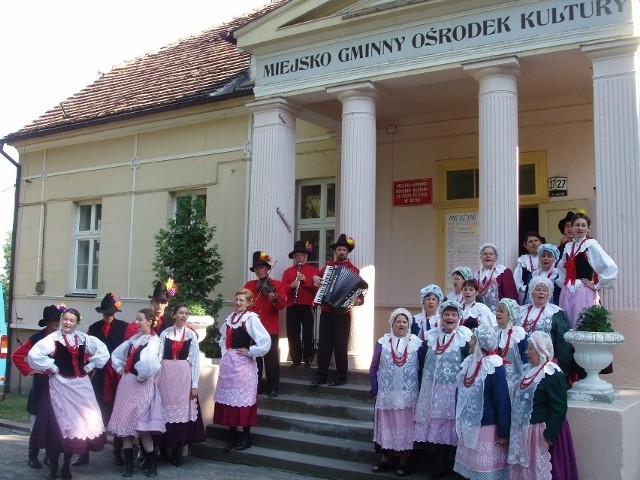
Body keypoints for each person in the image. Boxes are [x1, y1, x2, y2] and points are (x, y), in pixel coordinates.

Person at [27, 307, 109, 480]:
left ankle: (65, 467)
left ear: (77, 323)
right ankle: (54, 467)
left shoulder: (83, 338)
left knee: (77, 428)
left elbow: (103, 352)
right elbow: (34, 354)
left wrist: (90, 366)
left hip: (80, 387)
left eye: (72, 320)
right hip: (60, 386)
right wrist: (53, 367)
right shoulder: (53, 339)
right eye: (65, 319)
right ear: (61, 319)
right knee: (58, 429)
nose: (67, 323)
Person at [508, 331, 580, 480]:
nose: (526, 352)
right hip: (526, 432)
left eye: (530, 348)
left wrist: (550, 435)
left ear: (541, 349)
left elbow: (559, 408)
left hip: (542, 432)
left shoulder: (551, 373)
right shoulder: (528, 370)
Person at [414, 300, 472, 479]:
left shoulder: (464, 338)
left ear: (459, 318)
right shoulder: (432, 336)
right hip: (432, 390)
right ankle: (437, 461)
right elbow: (422, 361)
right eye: (447, 314)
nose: (450, 317)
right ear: (441, 317)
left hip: (453, 391)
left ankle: (453, 462)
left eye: (454, 315)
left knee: (452, 426)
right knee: (436, 426)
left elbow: (469, 363)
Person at [108, 308, 164, 477]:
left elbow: (151, 363)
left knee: (142, 426)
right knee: (126, 426)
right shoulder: (134, 339)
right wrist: (121, 369)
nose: (136, 322)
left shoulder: (154, 341)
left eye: (140, 319)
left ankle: (152, 465)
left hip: (142, 385)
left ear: (149, 321)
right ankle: (129, 467)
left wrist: (141, 374)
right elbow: (117, 354)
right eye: (136, 319)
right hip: (127, 384)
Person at [214, 288, 271, 451]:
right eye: (236, 299)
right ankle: (232, 437)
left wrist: (251, 351)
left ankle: (246, 438)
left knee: (243, 402)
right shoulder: (230, 319)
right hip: (229, 366)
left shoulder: (250, 319)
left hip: (244, 366)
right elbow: (223, 339)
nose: (238, 303)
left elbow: (265, 341)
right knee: (231, 402)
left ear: (249, 303)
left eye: (241, 300)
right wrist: (226, 353)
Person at [76, 292, 128, 468]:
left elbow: (130, 348)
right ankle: (84, 453)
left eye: (111, 312)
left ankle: (117, 451)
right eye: (106, 312)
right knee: (90, 413)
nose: (108, 315)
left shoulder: (124, 327)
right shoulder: (94, 328)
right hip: (97, 375)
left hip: (117, 375)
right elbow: (84, 350)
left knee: (119, 412)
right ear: (102, 313)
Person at [369, 308, 423, 477]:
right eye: (398, 321)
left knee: (405, 427)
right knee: (388, 426)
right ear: (392, 323)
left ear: (409, 325)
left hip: (409, 396)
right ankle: (385, 458)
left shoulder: (417, 343)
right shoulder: (382, 342)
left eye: (405, 321)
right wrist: (375, 389)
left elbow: (422, 369)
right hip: (386, 395)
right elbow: (373, 367)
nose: (401, 324)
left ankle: (404, 461)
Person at [453, 324, 511, 480]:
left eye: (472, 339)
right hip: (470, 425)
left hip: (487, 426)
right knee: (471, 470)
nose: (469, 343)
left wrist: (504, 431)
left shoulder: (493, 365)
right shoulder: (469, 363)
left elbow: (502, 399)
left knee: (485, 472)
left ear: (480, 343)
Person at [11, 305, 61, 469]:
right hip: (41, 384)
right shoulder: (36, 338)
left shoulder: (64, 338)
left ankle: (49, 455)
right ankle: (32, 455)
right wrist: (29, 370)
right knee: (36, 420)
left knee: (55, 422)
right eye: (53, 319)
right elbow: (17, 355)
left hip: (59, 385)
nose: (57, 322)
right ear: (46, 321)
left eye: (58, 319)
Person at [311, 234, 364, 387]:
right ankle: (321, 375)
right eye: (339, 249)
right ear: (336, 251)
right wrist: (314, 277)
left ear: (348, 252)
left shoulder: (354, 270)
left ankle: (341, 376)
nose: (341, 252)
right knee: (324, 345)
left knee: (341, 345)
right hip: (327, 310)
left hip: (343, 313)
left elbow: (359, 295)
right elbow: (316, 277)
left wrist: (359, 300)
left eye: (344, 250)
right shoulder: (328, 267)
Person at [157, 303, 206, 466]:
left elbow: (195, 361)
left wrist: (195, 385)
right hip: (166, 375)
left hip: (183, 376)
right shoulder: (165, 334)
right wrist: (154, 378)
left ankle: (177, 450)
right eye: (181, 313)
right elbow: (158, 356)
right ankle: (163, 449)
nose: (184, 316)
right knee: (165, 411)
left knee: (180, 414)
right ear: (174, 315)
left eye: (186, 313)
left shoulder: (191, 335)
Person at [556, 212, 618, 329]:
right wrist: (564, 283)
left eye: (583, 225)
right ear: (572, 227)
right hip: (567, 291)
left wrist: (597, 285)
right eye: (577, 225)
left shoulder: (591, 245)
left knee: (582, 324)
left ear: (588, 228)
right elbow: (561, 268)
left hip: (583, 290)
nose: (580, 228)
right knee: (567, 324)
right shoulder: (569, 246)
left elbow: (610, 266)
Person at [244, 250, 287, 397]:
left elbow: (281, 306)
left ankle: (273, 387)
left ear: (268, 268)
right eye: (256, 268)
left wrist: (273, 299)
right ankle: (256, 387)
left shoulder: (278, 285)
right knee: (254, 360)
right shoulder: (250, 285)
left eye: (262, 267)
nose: (259, 270)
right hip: (252, 329)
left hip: (269, 328)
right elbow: (244, 302)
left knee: (271, 360)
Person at [518, 276, 573, 379]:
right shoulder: (521, 312)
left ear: (549, 294)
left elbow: (563, 342)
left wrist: (561, 366)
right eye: (538, 289)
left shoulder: (556, 313)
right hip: (521, 360)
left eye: (545, 290)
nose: (541, 293)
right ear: (531, 292)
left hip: (546, 364)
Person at [281, 240, 319, 368]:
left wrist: (306, 280)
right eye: (296, 255)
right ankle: (296, 359)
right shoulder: (288, 272)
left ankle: (308, 359)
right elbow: (282, 289)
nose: (299, 257)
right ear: (294, 257)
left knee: (308, 333)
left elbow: (317, 289)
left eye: (302, 255)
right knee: (293, 333)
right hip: (292, 305)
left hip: (308, 305)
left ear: (306, 256)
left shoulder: (314, 271)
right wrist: (290, 286)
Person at [495, 298, 528, 397]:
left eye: (501, 311)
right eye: (497, 311)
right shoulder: (492, 333)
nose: (498, 314)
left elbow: (525, 358)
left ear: (510, 315)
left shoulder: (519, 334)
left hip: (514, 378)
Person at [475, 243, 518, 313]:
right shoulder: (476, 276)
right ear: (481, 257)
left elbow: (511, 296)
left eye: (491, 254)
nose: (488, 256)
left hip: (500, 314)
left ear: (496, 257)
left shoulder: (504, 272)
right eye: (485, 254)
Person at [514, 231, 542, 305]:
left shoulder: (548, 258)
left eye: (536, 240)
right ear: (525, 245)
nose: (534, 243)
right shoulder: (523, 261)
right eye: (530, 241)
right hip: (529, 298)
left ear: (541, 242)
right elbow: (517, 282)